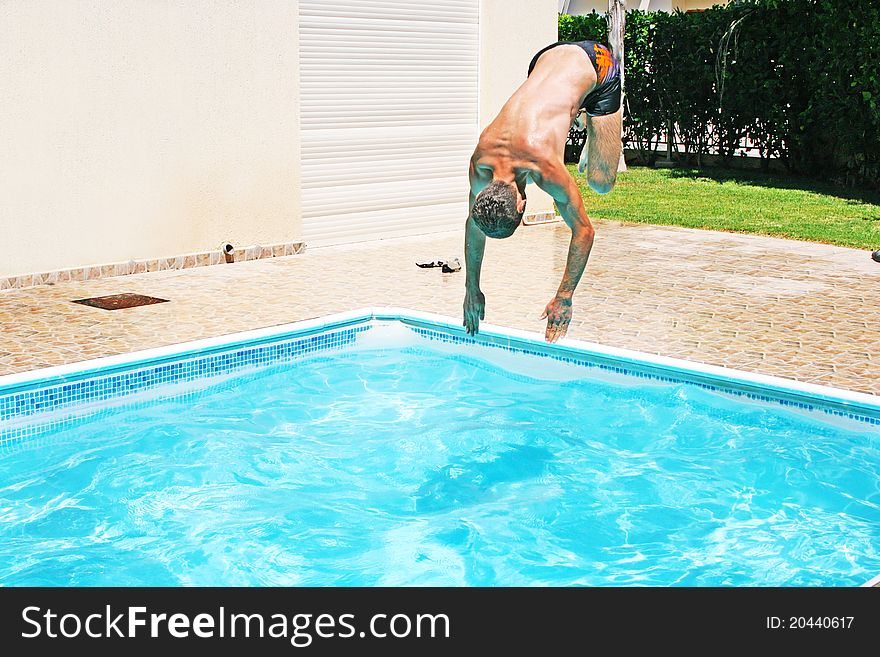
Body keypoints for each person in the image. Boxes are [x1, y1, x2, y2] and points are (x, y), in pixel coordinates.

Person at [463, 40, 622, 343]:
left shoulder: (545, 167)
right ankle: (580, 110)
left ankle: (594, 123)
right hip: (544, 58)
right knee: (563, 105)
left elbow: (585, 232)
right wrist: (472, 288)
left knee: (600, 183)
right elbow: (473, 226)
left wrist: (564, 296)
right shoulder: (481, 162)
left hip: (597, 64)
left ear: (522, 205)